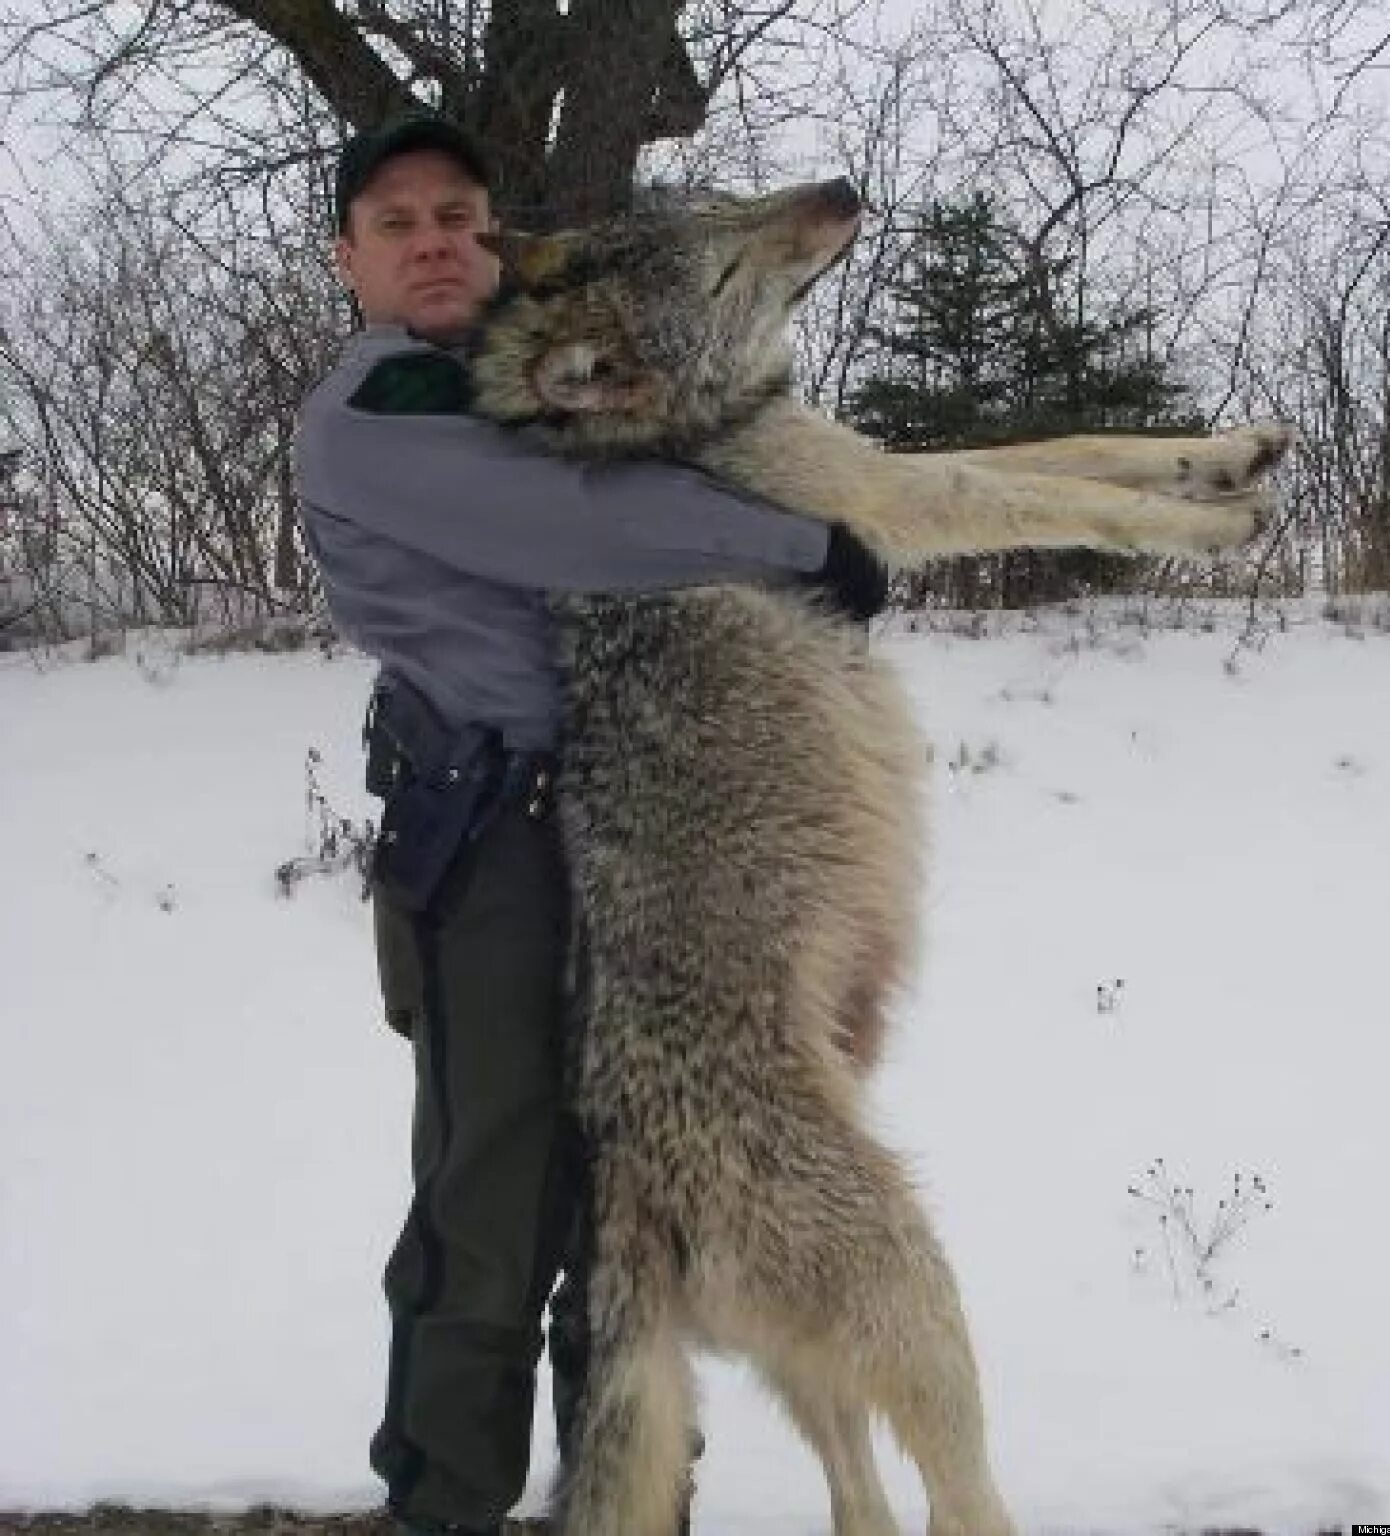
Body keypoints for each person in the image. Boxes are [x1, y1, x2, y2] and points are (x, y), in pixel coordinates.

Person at [293, 115, 885, 1536]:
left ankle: (631, 1506)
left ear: (496, 240)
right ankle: (445, 1506)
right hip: (495, 843)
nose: (436, 242)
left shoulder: (539, 375)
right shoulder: (372, 414)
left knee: (640, 1204)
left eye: (459, 216)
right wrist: (806, 548)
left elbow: (687, 459)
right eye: (397, 224)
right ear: (350, 261)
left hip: (651, 829)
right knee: (495, 1199)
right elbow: (583, 523)